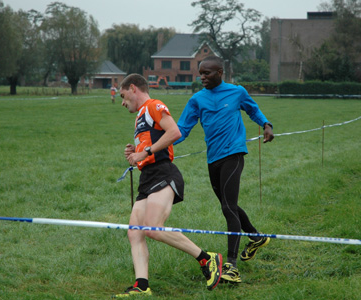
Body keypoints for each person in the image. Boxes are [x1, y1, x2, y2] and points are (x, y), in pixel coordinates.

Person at [113, 73, 222, 298]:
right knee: (135, 233)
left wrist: (146, 151)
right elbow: (150, 145)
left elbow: (174, 132)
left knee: (153, 227)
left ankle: (207, 258)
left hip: (164, 172)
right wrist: (135, 153)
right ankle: (142, 286)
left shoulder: (154, 105)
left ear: (133, 88)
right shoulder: (139, 117)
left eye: (123, 96)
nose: (122, 102)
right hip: (147, 177)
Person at [174, 56, 274, 284]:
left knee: (228, 207)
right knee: (228, 205)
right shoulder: (197, 100)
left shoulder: (237, 92)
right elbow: (182, 129)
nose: (202, 78)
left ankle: (231, 265)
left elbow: (253, 109)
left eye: (207, 73)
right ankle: (256, 237)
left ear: (220, 72)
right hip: (213, 159)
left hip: (234, 154)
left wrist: (266, 125)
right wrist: (160, 146)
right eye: (200, 74)